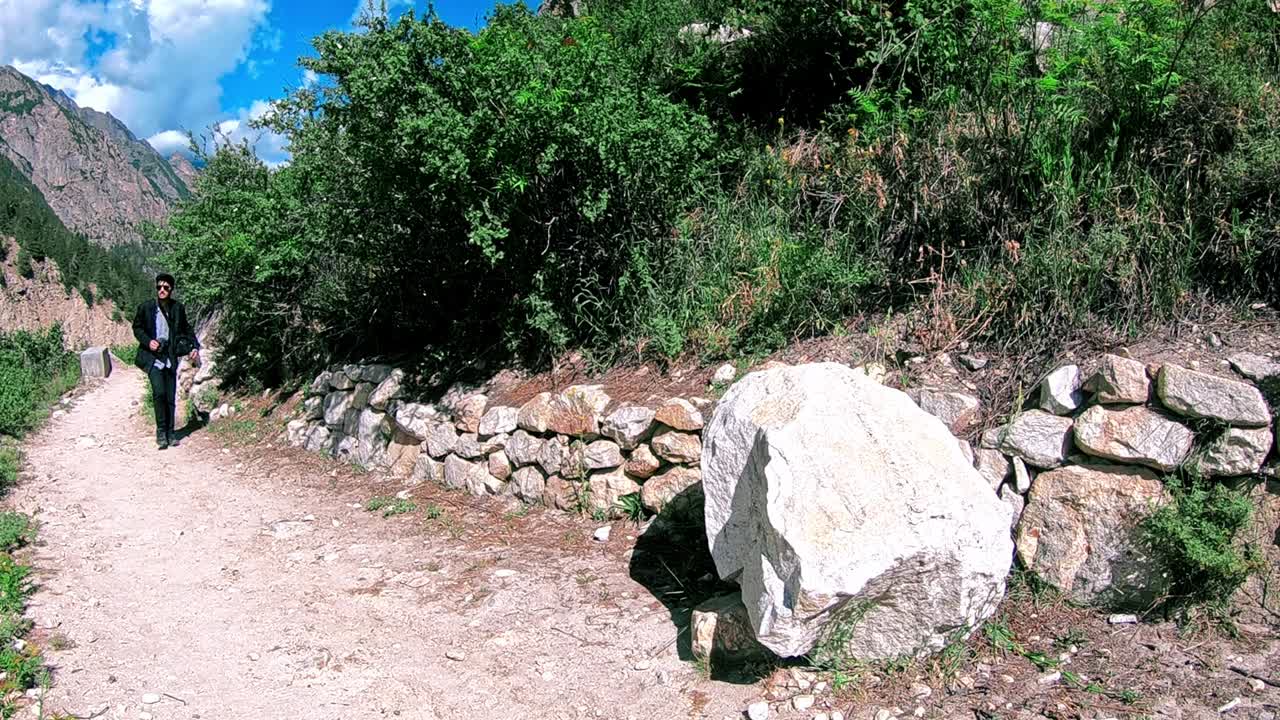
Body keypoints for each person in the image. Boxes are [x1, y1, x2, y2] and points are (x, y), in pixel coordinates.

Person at [132, 273, 200, 449]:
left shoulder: (177, 309)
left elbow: (186, 328)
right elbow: (137, 328)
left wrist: (195, 346)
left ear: (171, 289)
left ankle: (171, 433)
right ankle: (161, 432)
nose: (162, 290)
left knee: (170, 397)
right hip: (153, 358)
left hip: (170, 357)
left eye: (166, 287)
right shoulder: (146, 308)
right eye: (159, 287)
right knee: (159, 394)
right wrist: (148, 342)